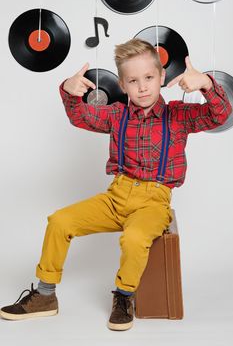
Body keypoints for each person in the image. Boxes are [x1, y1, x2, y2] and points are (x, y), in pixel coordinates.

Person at [0, 39, 231, 331]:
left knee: (134, 239)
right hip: (116, 196)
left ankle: (123, 296)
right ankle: (46, 295)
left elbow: (220, 115)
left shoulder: (179, 116)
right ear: (122, 85)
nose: (143, 87)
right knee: (59, 221)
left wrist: (206, 85)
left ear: (161, 77)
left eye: (149, 78)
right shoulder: (116, 115)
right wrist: (69, 93)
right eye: (133, 81)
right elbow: (79, 116)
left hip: (154, 201)